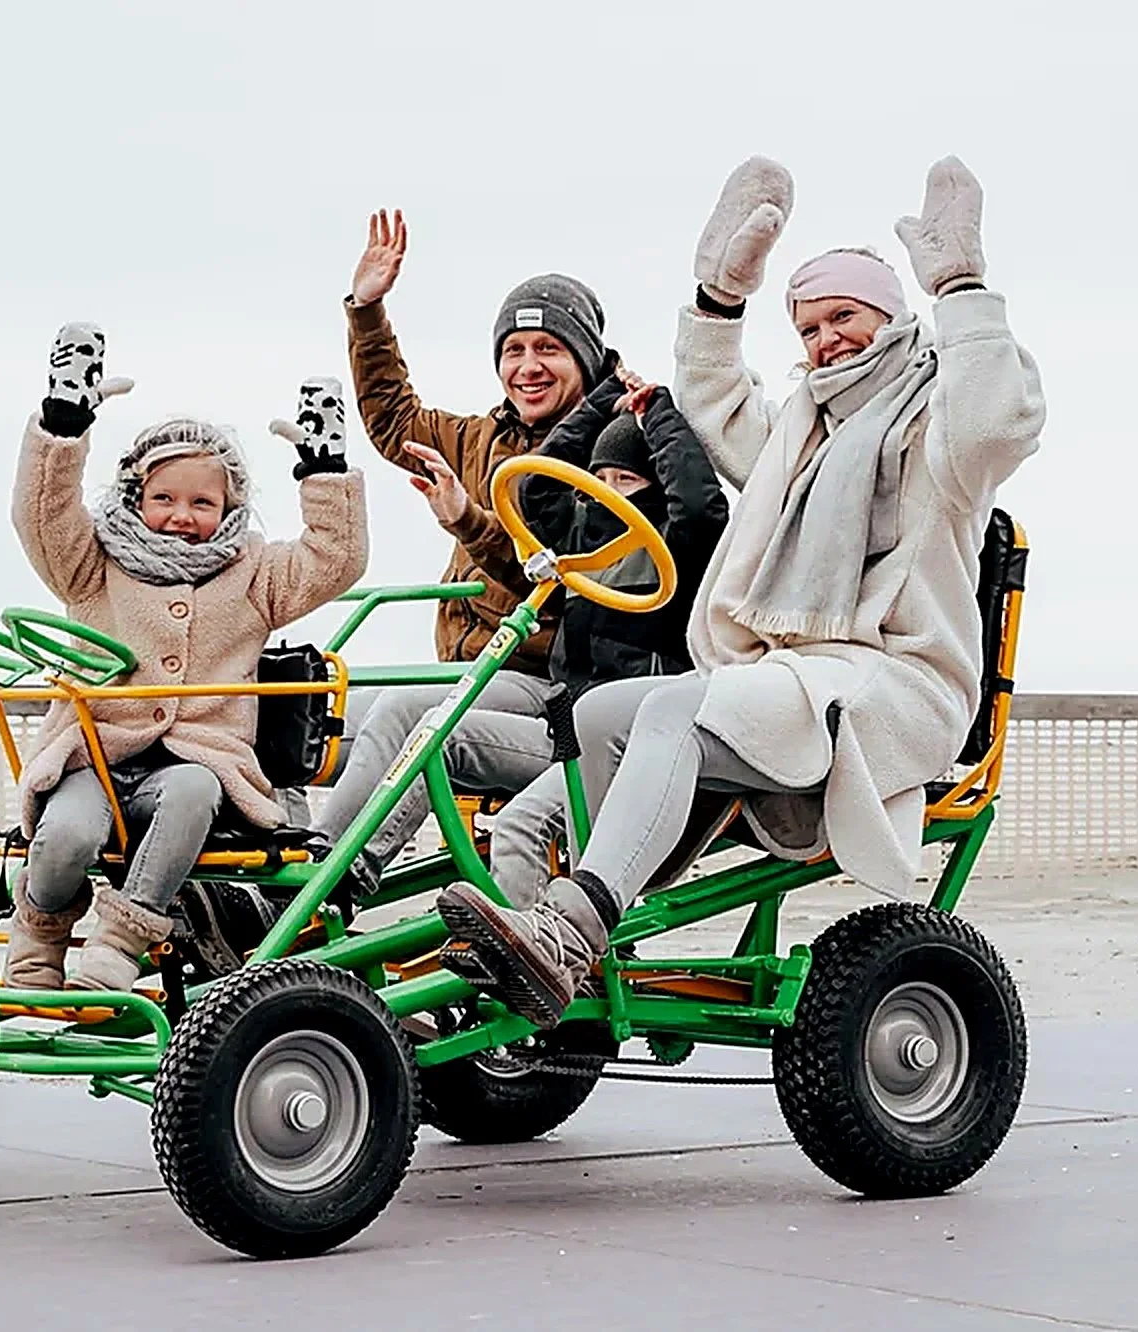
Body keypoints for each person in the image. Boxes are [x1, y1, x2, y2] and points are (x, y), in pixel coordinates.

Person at [438, 155, 1047, 1026]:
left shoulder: (931, 425)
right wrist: (719, 297)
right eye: (809, 327)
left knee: (672, 711)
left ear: (890, 317)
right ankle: (575, 921)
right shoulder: (806, 430)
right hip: (790, 678)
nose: (826, 340)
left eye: (845, 316)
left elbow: (999, 420)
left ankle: (575, 930)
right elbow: (717, 399)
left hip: (893, 682)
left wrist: (963, 288)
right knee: (604, 715)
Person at [5, 323, 368, 990]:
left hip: (199, 767)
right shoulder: (93, 565)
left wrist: (323, 470)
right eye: (164, 499)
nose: (181, 515)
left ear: (230, 506)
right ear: (136, 498)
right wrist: (63, 424)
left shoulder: (254, 573)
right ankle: (39, 933)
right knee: (64, 839)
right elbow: (41, 516)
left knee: (195, 789)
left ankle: (123, 936)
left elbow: (334, 561)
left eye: (203, 502)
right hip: (97, 754)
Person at [311, 365, 728, 899]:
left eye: (625, 482)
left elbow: (698, 506)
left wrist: (659, 410)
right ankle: (327, 857)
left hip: (608, 735)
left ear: (654, 487)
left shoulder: (678, 546)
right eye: (600, 480)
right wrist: (603, 398)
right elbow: (533, 486)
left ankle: (531, 957)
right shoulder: (582, 534)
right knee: (412, 713)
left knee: (476, 778)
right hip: (560, 705)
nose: (608, 495)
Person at [297, 212, 615, 838]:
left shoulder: (608, 452)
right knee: (296, 715)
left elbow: (562, 573)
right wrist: (367, 311)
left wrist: (468, 521)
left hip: (539, 677)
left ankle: (326, 881)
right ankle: (260, 879)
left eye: (549, 348)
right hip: (463, 670)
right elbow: (393, 420)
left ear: (586, 359)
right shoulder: (478, 438)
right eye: (514, 350)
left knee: (410, 718)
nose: (528, 366)